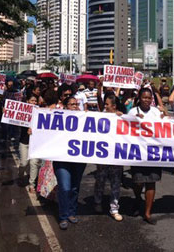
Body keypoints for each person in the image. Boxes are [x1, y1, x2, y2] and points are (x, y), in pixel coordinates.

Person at [128, 88, 163, 225]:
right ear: (139, 98)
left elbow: (164, 126)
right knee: (138, 181)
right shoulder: (133, 111)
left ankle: (147, 212)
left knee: (151, 182)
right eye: (144, 97)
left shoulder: (155, 112)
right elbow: (125, 127)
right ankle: (137, 198)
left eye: (149, 98)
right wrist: (134, 120)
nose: (147, 100)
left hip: (153, 153)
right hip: (138, 153)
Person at [53, 96, 87, 230]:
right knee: (65, 187)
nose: (74, 106)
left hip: (78, 159)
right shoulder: (57, 118)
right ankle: (63, 216)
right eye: (71, 104)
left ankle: (72, 213)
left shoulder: (84, 118)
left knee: (74, 187)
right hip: (62, 160)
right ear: (65, 106)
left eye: (76, 104)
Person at [93, 92, 126, 222]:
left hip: (117, 156)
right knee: (100, 180)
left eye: (107, 104)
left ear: (114, 106)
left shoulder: (122, 118)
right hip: (103, 155)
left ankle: (114, 208)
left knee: (116, 183)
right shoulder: (101, 117)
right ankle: (97, 201)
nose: (105, 106)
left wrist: (123, 117)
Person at [18, 94, 41, 191]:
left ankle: (32, 184)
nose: (34, 103)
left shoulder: (40, 113)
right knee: (24, 163)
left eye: (35, 101)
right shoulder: (22, 113)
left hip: (35, 143)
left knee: (34, 163)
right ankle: (20, 175)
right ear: (27, 101)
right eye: (32, 100)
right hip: (24, 142)